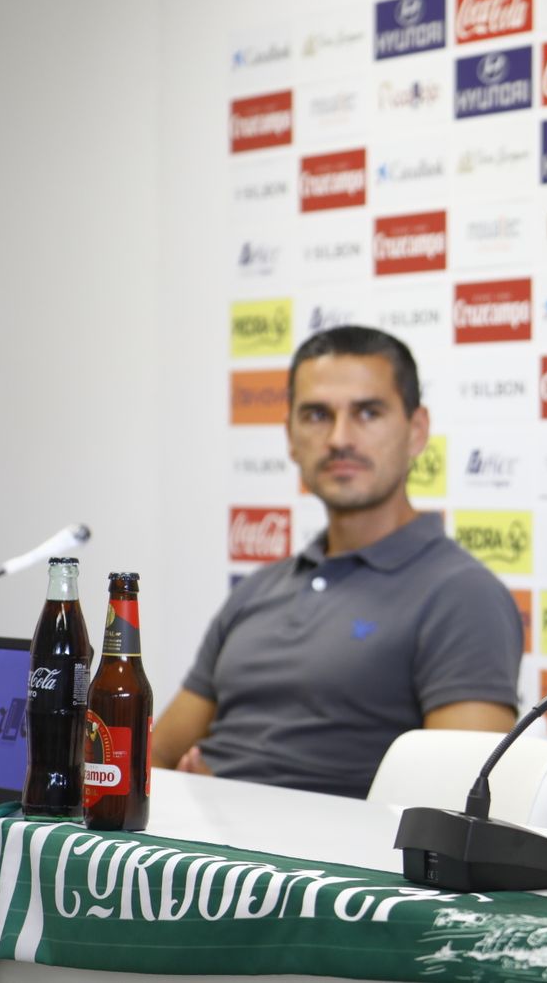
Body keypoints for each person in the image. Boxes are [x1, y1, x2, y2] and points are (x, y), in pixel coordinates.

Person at [153, 326, 522, 798]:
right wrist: (197, 809)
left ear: (417, 431)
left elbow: (455, 811)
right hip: (198, 838)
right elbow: (154, 759)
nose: (339, 438)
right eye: (316, 415)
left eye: (368, 413)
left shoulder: (463, 595)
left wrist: (233, 810)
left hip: (319, 847)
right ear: (290, 437)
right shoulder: (258, 588)